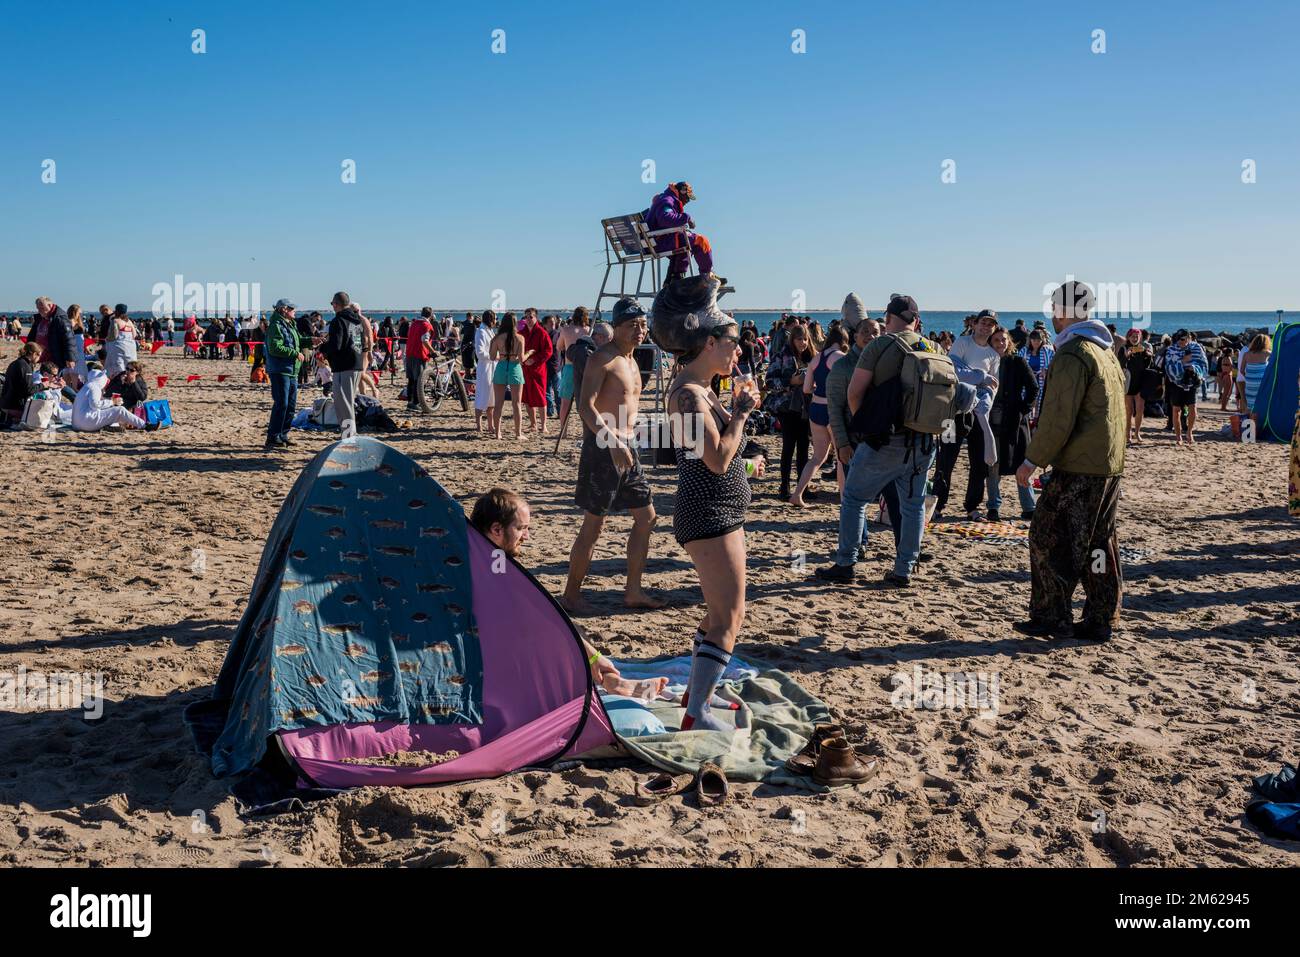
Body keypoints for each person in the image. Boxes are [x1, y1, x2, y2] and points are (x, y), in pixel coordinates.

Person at [654, 276, 756, 731]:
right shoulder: (690, 395)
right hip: (708, 512)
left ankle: (700, 699)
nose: (738, 351)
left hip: (718, 511)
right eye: (732, 343)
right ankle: (698, 713)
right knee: (729, 617)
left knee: (721, 613)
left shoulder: (700, 389)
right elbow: (716, 459)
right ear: (709, 341)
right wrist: (741, 414)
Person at [818, 295, 963, 587]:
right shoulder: (933, 347)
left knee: (855, 499)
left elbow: (854, 393)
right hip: (923, 442)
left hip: (885, 440)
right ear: (916, 320)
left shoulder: (880, 345)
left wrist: (867, 429)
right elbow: (952, 399)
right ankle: (904, 569)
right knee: (913, 506)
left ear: (888, 316)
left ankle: (846, 563)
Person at [471, 488, 668, 698]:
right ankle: (611, 682)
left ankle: (610, 680)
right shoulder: (488, 563)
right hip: (488, 660)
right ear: (496, 530)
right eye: (521, 528)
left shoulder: (490, 555)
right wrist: (591, 655)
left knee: (564, 624)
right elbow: (527, 615)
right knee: (551, 626)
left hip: (491, 648)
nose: (527, 536)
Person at [1014, 281, 1125, 643]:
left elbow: (1059, 416)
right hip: (1107, 463)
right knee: (1098, 540)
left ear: (1061, 311)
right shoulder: (1104, 350)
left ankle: (1051, 615)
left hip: (1080, 462)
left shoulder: (1074, 352)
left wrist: (1033, 459)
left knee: (1047, 535)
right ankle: (1101, 615)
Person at [560, 297, 664, 615]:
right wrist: (612, 441)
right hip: (603, 446)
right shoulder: (601, 359)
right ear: (617, 327)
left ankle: (633, 591)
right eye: (632, 325)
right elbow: (585, 406)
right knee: (594, 524)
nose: (640, 331)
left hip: (627, 445)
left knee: (646, 518)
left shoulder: (633, 361)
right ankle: (571, 595)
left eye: (643, 325)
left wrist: (629, 439)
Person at [936, 309, 1000, 520]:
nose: (986, 327)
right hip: (951, 409)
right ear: (975, 323)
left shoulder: (993, 355)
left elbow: (993, 385)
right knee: (945, 457)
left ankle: (972, 506)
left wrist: (982, 390)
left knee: (978, 462)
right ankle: (937, 503)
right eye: (983, 322)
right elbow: (953, 370)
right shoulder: (962, 342)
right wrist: (980, 376)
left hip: (978, 412)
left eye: (990, 324)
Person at [973, 326, 1038, 520]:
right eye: (996, 340)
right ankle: (993, 507)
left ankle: (1029, 506)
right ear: (990, 343)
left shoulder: (1017, 361)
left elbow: (1033, 387)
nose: (1001, 343)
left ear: (1009, 341)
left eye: (1003, 340)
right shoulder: (985, 362)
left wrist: (1024, 409)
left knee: (1021, 462)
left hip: (1015, 420)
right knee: (993, 463)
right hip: (991, 419)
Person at [791, 325, 848, 505]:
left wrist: (820, 387)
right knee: (841, 457)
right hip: (833, 410)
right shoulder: (841, 358)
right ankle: (844, 498)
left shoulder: (815, 359)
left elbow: (807, 388)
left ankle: (797, 494)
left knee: (818, 456)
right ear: (843, 342)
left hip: (816, 408)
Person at [642, 181, 726, 286]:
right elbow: (665, 219)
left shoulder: (664, 198)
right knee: (700, 241)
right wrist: (687, 217)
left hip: (653, 242)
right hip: (657, 243)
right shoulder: (667, 200)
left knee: (685, 242)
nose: (687, 201)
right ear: (682, 192)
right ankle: (708, 276)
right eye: (687, 198)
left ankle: (674, 279)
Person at [768, 323, 813, 502]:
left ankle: (803, 488)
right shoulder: (781, 356)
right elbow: (770, 381)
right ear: (792, 339)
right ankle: (784, 487)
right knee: (788, 447)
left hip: (804, 407)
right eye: (799, 339)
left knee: (804, 448)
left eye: (805, 339)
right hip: (787, 407)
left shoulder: (810, 357)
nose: (802, 342)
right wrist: (790, 382)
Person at [264, 298, 304, 450]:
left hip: (291, 370)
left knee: (291, 405)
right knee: (282, 404)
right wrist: (295, 354)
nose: (295, 311)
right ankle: (273, 436)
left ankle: (283, 434)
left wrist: (310, 341)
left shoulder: (289, 324)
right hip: (280, 370)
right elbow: (275, 348)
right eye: (292, 309)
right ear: (284, 310)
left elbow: (296, 341)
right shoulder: (275, 325)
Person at [325, 291, 365, 439]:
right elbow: (361, 343)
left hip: (344, 366)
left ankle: (348, 435)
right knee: (347, 401)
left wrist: (323, 349)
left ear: (336, 304)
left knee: (343, 403)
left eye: (332, 304)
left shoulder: (338, 321)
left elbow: (336, 345)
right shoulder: (356, 320)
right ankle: (348, 433)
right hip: (355, 363)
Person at [1162, 329, 1207, 446]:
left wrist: (1195, 369)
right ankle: (1178, 437)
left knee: (1193, 408)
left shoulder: (1196, 347)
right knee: (1176, 410)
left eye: (1183, 339)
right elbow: (1168, 367)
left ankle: (1189, 433)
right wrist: (1182, 362)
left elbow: (1203, 363)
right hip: (1176, 383)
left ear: (1188, 338)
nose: (1180, 342)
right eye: (1178, 339)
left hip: (1192, 382)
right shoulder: (1171, 349)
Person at [553, 307, 591, 434]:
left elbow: (559, 346)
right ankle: (587, 430)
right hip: (585, 367)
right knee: (586, 402)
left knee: (565, 402)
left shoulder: (566, 330)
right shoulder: (588, 330)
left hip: (569, 367)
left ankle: (563, 431)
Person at [72, 368, 144, 432]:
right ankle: (143, 425)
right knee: (120, 410)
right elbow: (94, 404)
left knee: (110, 411)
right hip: (86, 423)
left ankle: (112, 426)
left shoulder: (87, 386)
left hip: (76, 424)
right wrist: (112, 401)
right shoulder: (95, 387)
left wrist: (110, 402)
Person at [489, 312, 525, 439]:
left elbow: (492, 357)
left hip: (501, 367)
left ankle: (498, 433)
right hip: (515, 368)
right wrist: (530, 353)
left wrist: (502, 355)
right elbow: (522, 359)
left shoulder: (497, 338)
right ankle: (518, 433)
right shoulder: (520, 338)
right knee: (517, 403)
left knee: (498, 403)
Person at [519, 308, 553, 434]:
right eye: (526, 317)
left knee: (540, 397)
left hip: (538, 370)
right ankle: (533, 424)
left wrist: (534, 360)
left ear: (536, 318)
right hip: (524, 369)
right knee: (527, 397)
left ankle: (543, 425)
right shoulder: (521, 333)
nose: (528, 319)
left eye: (531, 317)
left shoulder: (542, 333)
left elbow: (548, 351)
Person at [30, 297, 77, 384]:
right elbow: (32, 335)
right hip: (43, 356)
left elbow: (69, 338)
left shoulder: (60, 318)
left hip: (55, 356)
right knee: (46, 380)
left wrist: (70, 358)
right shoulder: (41, 318)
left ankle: (74, 396)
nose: (39, 310)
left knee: (54, 381)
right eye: (38, 308)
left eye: (42, 308)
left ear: (50, 305)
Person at [1118, 328, 1152, 444]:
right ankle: (1128, 434)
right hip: (1128, 383)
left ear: (1140, 338)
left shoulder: (1142, 349)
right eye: (1132, 336)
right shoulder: (1124, 349)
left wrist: (1148, 356)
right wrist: (1127, 356)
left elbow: (1147, 365)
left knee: (1140, 410)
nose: (1135, 338)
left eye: (1137, 337)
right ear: (1128, 337)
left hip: (1140, 382)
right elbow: (1120, 365)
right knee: (1129, 411)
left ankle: (1137, 432)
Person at [1, 342, 43, 425]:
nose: (39, 358)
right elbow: (28, 390)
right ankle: (13, 417)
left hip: (5, 404)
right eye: (39, 355)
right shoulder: (25, 366)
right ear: (34, 354)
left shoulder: (17, 362)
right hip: (13, 407)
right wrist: (44, 385)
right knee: (40, 415)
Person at [403, 307, 435, 414]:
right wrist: (432, 351)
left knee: (411, 379)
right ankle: (415, 403)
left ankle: (409, 402)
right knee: (419, 380)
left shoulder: (414, 323)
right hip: (419, 354)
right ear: (430, 315)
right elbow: (425, 340)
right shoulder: (426, 325)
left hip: (409, 353)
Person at [472, 310, 497, 431]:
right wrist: (494, 355)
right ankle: (479, 425)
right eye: (495, 319)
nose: (496, 322)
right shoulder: (481, 332)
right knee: (482, 396)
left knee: (492, 396)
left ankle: (490, 425)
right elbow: (480, 353)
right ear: (490, 320)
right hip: (485, 368)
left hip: (493, 367)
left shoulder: (490, 331)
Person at [1239, 333, 1272, 417]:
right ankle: (1260, 422)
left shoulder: (1246, 354)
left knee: (1250, 403)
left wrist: (1248, 376)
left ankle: (1250, 423)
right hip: (1262, 382)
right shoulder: (1267, 353)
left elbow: (1241, 370)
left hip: (1250, 382)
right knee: (1263, 402)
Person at [66, 304, 89, 390]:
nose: (81, 313)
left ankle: (73, 389)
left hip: (79, 348)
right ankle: (74, 389)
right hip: (75, 349)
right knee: (74, 371)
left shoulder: (77, 321)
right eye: (79, 311)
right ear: (75, 312)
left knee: (75, 370)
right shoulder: (70, 321)